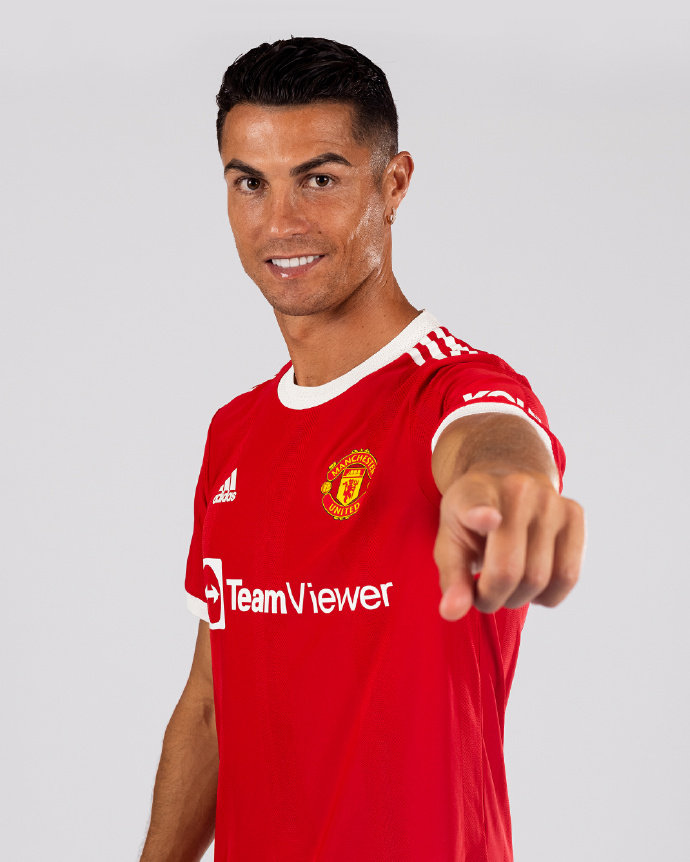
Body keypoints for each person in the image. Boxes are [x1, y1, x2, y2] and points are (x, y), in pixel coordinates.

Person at [139, 37, 585, 862]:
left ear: (394, 183)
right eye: (250, 183)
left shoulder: (450, 388)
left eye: (320, 179)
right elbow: (209, 705)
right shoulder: (233, 432)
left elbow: (492, 437)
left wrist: (505, 482)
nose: (281, 222)